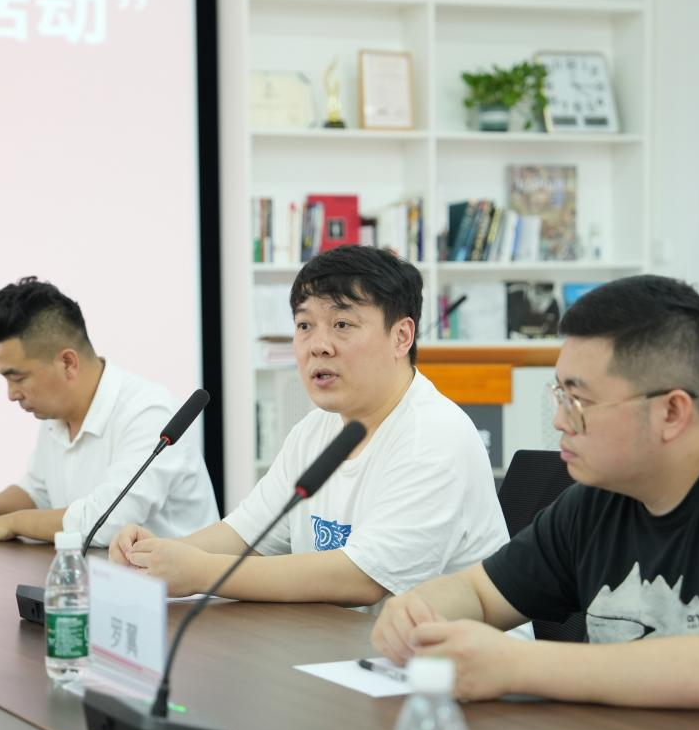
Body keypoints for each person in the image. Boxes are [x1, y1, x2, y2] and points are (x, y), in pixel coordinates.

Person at [370, 275, 699, 730]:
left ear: (671, 411)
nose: (559, 420)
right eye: (559, 395)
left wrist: (517, 665)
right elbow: (481, 593)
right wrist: (417, 611)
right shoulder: (600, 496)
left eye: (579, 400)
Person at [109, 246, 510, 607]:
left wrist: (201, 572)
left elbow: (362, 579)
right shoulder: (315, 430)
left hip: (461, 661)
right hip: (349, 647)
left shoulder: (434, 436)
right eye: (304, 326)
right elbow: (247, 535)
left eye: (342, 324)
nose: (318, 345)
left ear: (401, 337)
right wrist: (154, 556)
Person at [0, 277, 218, 547]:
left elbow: (106, 522)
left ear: (68, 363)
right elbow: (37, 493)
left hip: (177, 592)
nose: (11, 394)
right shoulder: (56, 415)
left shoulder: (150, 413)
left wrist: (11, 522)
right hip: (98, 581)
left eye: (18, 377)